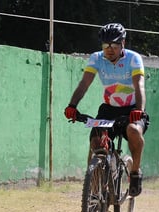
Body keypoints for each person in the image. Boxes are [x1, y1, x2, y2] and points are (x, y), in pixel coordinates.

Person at [64, 23, 149, 197]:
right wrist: (72, 106)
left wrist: (139, 110)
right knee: (96, 142)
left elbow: (139, 86)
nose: (109, 50)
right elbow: (84, 84)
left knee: (133, 130)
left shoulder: (133, 59)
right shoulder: (96, 58)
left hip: (132, 108)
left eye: (114, 46)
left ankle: (135, 172)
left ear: (123, 44)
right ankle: (94, 193)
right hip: (109, 109)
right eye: (105, 46)